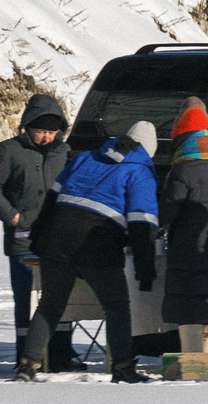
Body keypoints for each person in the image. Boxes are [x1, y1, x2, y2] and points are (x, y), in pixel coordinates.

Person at [21, 119, 159, 383]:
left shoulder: (85, 158)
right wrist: (145, 268)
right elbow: (142, 223)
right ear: (148, 150)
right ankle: (122, 367)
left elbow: (51, 199)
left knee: (51, 304)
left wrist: (38, 238)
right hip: (97, 243)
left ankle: (28, 364)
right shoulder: (140, 171)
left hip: (57, 238)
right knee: (116, 306)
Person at [0, 92, 68, 364]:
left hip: (57, 239)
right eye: (41, 131)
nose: (46, 137)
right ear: (28, 126)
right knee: (26, 300)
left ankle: (61, 355)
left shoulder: (65, 152)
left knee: (61, 296)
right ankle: (25, 357)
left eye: (52, 132)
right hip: (23, 239)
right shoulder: (10, 151)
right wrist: (12, 216)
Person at [160, 101, 208, 361]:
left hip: (187, 248)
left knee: (188, 303)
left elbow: (169, 212)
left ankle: (192, 359)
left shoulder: (183, 170)